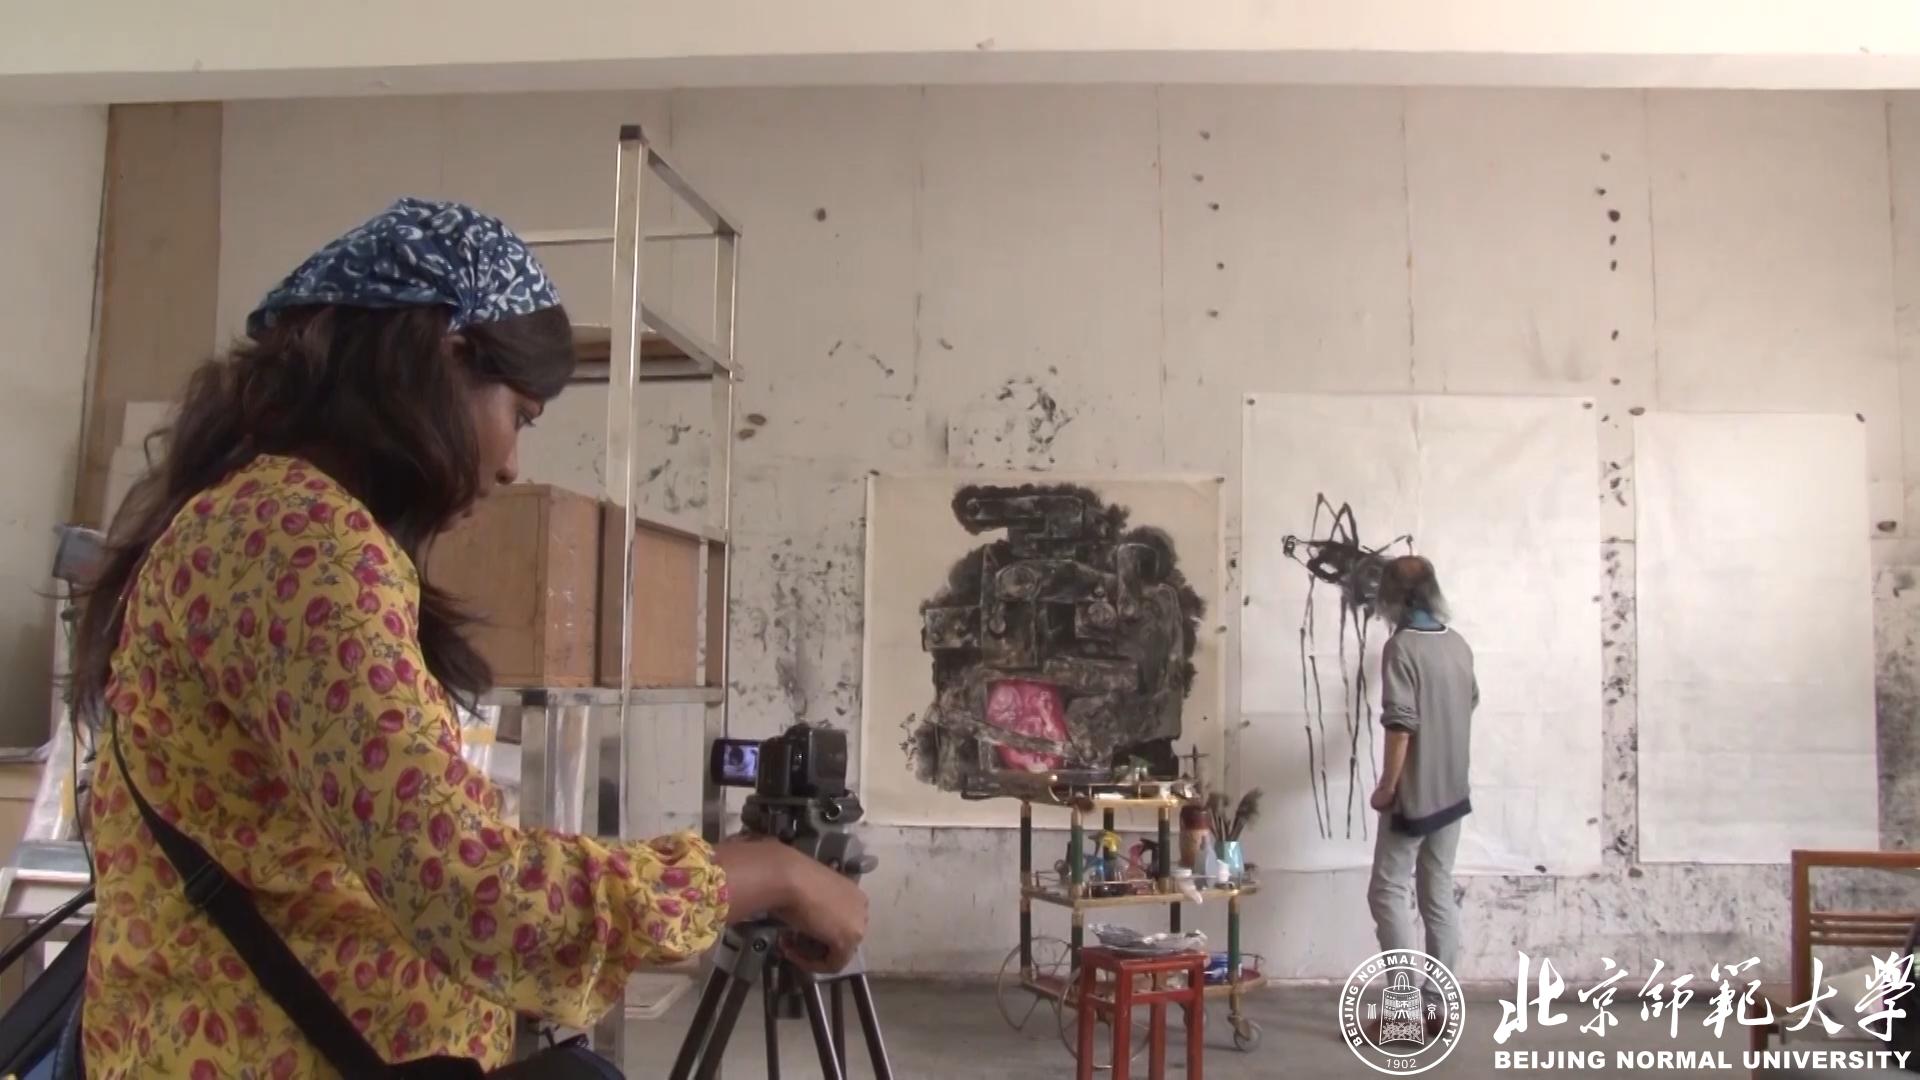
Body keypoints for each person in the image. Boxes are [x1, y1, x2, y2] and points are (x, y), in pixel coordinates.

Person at [70, 198, 868, 1078]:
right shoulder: (299, 546)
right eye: (521, 415)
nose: (512, 465)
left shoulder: (265, 522)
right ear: (444, 361)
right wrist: (760, 875)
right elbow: (474, 894)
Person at [1366, 555, 1476, 1027]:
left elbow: (1401, 725)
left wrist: (1387, 786)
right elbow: (1470, 701)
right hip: (1453, 791)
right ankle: (1438, 1006)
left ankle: (1404, 1011)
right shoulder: (1457, 644)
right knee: (1437, 891)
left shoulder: (1402, 647)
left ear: (1390, 597)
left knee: (1387, 891)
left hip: (1414, 795)